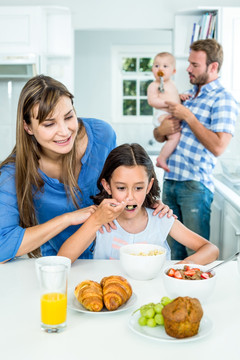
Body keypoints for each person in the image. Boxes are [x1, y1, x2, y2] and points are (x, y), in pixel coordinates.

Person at [0, 75, 172, 263]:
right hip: (62, 264)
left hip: (108, 260)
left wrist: (146, 203)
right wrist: (67, 219)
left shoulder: (102, 136)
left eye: (69, 117)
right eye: (49, 124)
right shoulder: (13, 173)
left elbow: (118, 187)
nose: (64, 131)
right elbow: (3, 246)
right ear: (28, 127)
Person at [59, 143, 219, 265]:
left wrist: (182, 266)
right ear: (107, 186)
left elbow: (211, 249)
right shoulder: (100, 221)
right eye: (121, 188)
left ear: (149, 186)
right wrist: (95, 222)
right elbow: (62, 260)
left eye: (138, 188)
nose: (130, 197)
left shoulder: (161, 218)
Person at [153, 39, 239, 260]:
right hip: (171, 183)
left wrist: (188, 117)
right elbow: (160, 136)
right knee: (172, 253)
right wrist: (161, 129)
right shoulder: (188, 97)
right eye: (189, 63)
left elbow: (219, 146)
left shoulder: (224, 100)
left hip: (195, 187)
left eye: (195, 65)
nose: (188, 69)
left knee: (197, 255)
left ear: (213, 67)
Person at [147, 52, 190, 172]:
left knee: (177, 133)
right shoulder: (153, 85)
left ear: (173, 71)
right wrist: (168, 103)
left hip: (170, 114)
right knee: (175, 136)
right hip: (162, 114)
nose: (160, 69)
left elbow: (174, 96)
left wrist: (180, 96)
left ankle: (163, 157)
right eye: (156, 66)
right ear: (152, 69)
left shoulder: (172, 84)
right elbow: (152, 101)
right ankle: (162, 158)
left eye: (165, 66)